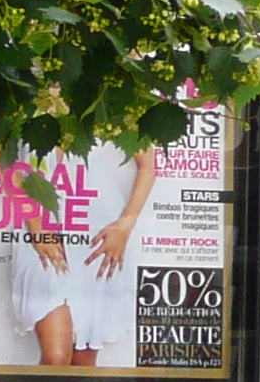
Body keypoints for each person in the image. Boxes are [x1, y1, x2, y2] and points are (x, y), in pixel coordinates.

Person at [11, 144, 160, 366]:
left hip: (96, 232)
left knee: (83, 362)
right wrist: (36, 227)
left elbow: (149, 163)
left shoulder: (111, 108)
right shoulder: (20, 108)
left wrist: (123, 227)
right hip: (39, 230)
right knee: (56, 358)